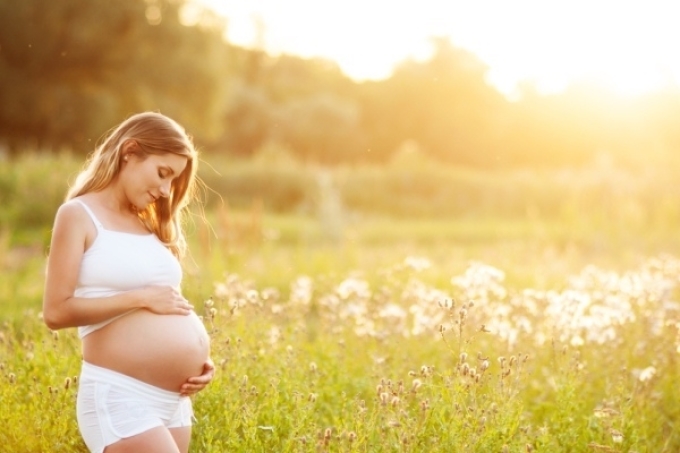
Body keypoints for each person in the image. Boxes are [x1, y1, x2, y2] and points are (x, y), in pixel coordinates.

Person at [42, 112, 214, 453]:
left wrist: (200, 363)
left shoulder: (148, 225)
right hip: (121, 395)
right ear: (130, 152)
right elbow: (55, 312)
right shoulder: (78, 215)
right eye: (162, 173)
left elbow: (166, 301)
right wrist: (140, 298)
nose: (165, 190)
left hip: (174, 402)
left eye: (173, 180)